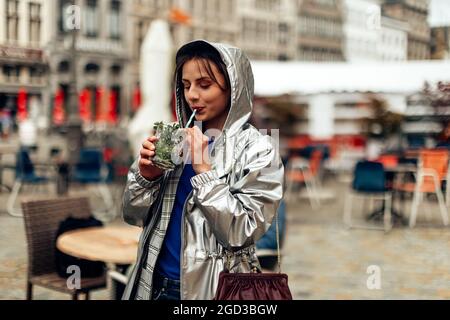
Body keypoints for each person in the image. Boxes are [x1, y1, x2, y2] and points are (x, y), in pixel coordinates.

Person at [121, 40, 284, 300]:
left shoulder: (259, 149)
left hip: (213, 291)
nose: (192, 95)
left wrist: (204, 171)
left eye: (204, 85)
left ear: (233, 88)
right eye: (186, 86)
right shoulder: (172, 138)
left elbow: (242, 231)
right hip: (153, 282)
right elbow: (132, 215)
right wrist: (146, 178)